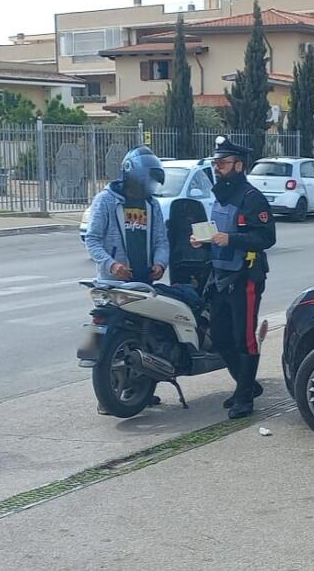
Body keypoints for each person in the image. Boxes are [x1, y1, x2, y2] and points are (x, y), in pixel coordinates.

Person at [191, 137, 276, 418]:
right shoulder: (220, 195)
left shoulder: (252, 198)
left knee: (244, 339)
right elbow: (219, 231)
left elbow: (266, 237)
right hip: (220, 275)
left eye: (223, 163)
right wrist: (202, 241)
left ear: (239, 165)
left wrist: (232, 239)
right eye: (216, 163)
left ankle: (244, 399)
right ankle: (247, 385)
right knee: (220, 336)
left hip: (245, 277)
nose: (218, 168)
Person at [84, 146, 170, 284]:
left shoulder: (152, 205)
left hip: (144, 280)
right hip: (114, 282)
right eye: (146, 181)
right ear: (133, 177)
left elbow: (161, 241)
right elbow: (92, 239)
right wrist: (112, 265)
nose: (150, 186)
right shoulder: (106, 200)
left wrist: (160, 263)